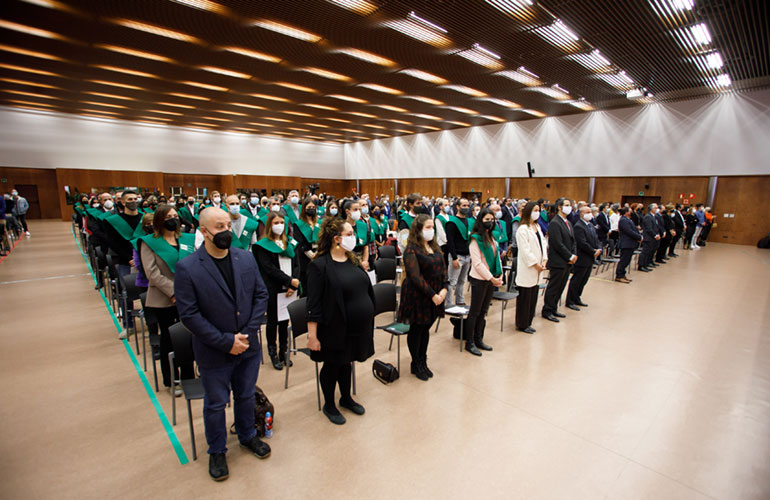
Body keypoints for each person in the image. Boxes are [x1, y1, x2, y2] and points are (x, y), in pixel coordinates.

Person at [174, 208, 271, 482]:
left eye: (229, 224)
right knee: (216, 404)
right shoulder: (188, 267)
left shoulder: (245, 258)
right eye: (219, 226)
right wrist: (226, 341)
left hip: (248, 346)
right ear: (203, 232)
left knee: (245, 395)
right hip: (214, 351)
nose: (226, 231)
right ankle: (217, 450)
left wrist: (246, 334)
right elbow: (190, 315)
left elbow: (260, 296)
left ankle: (247, 435)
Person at [307, 217, 375, 425]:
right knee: (332, 365)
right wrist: (312, 336)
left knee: (347, 362)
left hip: (356, 326)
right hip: (333, 327)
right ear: (336, 239)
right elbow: (314, 304)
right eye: (349, 234)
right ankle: (329, 404)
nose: (354, 237)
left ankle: (346, 398)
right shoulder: (320, 266)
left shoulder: (352, 259)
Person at [137, 205, 195, 394]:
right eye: (168, 216)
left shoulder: (185, 239)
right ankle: (171, 379)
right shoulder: (149, 242)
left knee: (188, 336)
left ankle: (188, 376)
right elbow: (152, 273)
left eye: (175, 216)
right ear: (159, 220)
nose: (173, 219)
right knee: (169, 340)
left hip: (186, 297)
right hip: (164, 299)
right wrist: (173, 292)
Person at [397, 214, 447, 380]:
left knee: (425, 329)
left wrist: (444, 290)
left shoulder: (435, 247)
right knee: (417, 329)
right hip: (418, 295)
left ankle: (422, 360)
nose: (431, 230)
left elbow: (443, 270)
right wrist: (433, 295)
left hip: (435, 295)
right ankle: (416, 363)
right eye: (427, 227)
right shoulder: (412, 249)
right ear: (418, 230)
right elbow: (415, 276)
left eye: (432, 227)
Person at [253, 212, 300, 370]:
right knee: (273, 322)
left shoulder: (290, 242)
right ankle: (273, 352)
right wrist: (289, 281)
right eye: (276, 222)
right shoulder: (263, 245)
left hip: (290, 288)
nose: (279, 225)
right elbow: (268, 269)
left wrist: (293, 284)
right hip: (273, 289)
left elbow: (297, 264)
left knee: (285, 321)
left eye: (282, 222)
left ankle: (283, 351)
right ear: (269, 225)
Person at [103, 190, 144, 339]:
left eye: (135, 198)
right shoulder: (115, 220)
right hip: (124, 261)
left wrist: (140, 258)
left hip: (143, 260)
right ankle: (129, 325)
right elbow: (113, 243)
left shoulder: (143, 218)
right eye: (130, 199)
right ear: (122, 202)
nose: (133, 201)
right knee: (126, 293)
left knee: (146, 292)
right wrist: (129, 258)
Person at [464, 208, 503, 355]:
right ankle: (470, 342)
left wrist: (500, 275)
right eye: (487, 220)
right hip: (479, 279)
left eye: (492, 220)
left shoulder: (492, 236)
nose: (490, 222)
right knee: (475, 311)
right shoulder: (475, 238)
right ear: (480, 221)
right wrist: (491, 278)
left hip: (491, 278)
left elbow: (497, 257)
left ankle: (479, 338)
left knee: (484, 311)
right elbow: (477, 263)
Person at [542, 198, 577, 323]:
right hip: (558, 260)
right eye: (567, 205)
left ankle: (554, 308)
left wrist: (573, 254)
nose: (570, 207)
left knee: (561, 286)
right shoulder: (555, 223)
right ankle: (547, 310)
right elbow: (557, 243)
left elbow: (573, 241)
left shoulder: (568, 222)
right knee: (554, 287)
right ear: (559, 207)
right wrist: (569, 256)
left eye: (570, 205)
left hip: (567, 260)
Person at [515, 201, 547, 333]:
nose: (537, 212)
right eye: (535, 210)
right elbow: (525, 250)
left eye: (538, 210)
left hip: (539, 267)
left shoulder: (537, 227)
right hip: (529, 268)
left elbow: (543, 244)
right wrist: (535, 264)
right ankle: (522, 323)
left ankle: (528, 321)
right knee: (525, 298)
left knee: (533, 296)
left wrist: (544, 260)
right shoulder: (522, 229)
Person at [566, 206, 602, 309]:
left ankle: (577, 297)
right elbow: (582, 243)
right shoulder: (578, 226)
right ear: (581, 214)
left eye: (591, 212)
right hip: (582, 257)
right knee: (577, 280)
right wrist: (593, 251)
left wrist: (599, 249)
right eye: (588, 212)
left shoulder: (590, 225)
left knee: (584, 280)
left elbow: (596, 239)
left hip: (590, 258)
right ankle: (570, 300)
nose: (590, 214)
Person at [293, 197, 320, 294]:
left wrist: (318, 253)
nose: (311, 209)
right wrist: (311, 255)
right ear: (304, 209)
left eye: (313, 207)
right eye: (309, 207)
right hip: (305, 259)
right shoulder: (298, 224)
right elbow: (299, 242)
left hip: (319, 255)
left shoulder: (319, 223)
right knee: (307, 287)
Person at [614, 206, 642, 283]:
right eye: (630, 211)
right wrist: (638, 237)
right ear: (626, 212)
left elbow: (634, 229)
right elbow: (629, 231)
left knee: (627, 260)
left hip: (631, 243)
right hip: (626, 243)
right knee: (624, 260)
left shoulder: (628, 219)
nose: (631, 212)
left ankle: (623, 274)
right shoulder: (623, 220)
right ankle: (619, 276)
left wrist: (639, 236)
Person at [343, 199, 371, 271]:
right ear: (347, 212)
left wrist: (365, 261)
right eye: (355, 209)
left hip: (361, 258)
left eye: (359, 209)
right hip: (346, 259)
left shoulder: (363, 225)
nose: (358, 212)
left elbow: (366, 246)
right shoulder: (342, 226)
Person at [639, 204, 660, 272]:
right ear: (651, 209)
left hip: (652, 237)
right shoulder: (648, 217)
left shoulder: (653, 216)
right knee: (645, 252)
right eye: (655, 208)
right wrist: (655, 235)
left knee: (649, 252)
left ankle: (646, 264)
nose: (656, 209)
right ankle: (641, 265)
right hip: (648, 237)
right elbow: (649, 228)